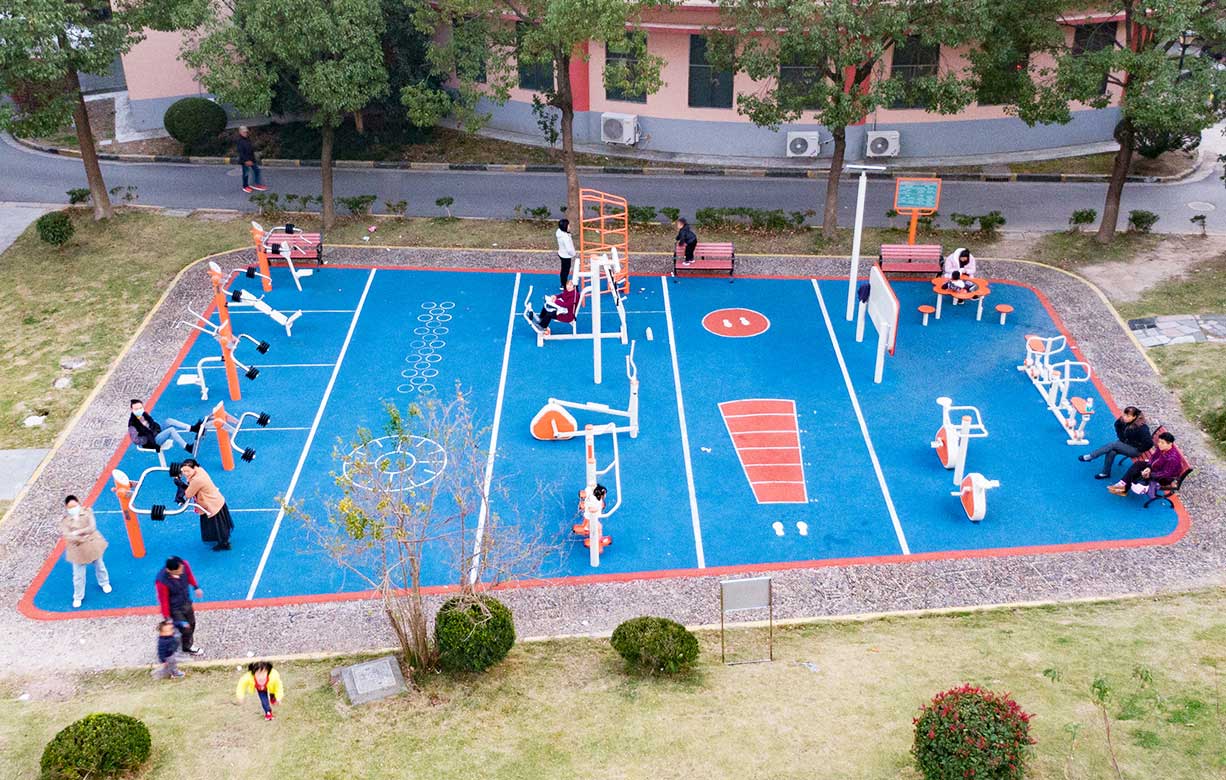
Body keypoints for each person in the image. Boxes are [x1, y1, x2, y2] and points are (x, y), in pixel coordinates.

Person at [60, 495, 111, 609]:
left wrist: (77, 533)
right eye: (70, 507)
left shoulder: (87, 512)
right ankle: (78, 596)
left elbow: (92, 528)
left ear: (79, 504)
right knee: (78, 575)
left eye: (75, 506)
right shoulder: (65, 521)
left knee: (100, 565)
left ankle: (104, 583)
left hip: (92, 545)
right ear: (67, 508)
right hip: (77, 549)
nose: (73, 509)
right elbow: (68, 536)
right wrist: (82, 536)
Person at [1078, 406, 1153, 479]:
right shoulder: (1122, 421)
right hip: (1125, 444)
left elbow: (1149, 443)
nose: (1125, 417)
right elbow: (1117, 425)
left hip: (1135, 450)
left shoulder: (1142, 428)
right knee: (1111, 451)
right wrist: (1122, 438)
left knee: (1113, 445)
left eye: (1128, 416)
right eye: (1124, 414)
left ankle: (1091, 456)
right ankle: (1105, 473)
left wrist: (1139, 448)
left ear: (1134, 417)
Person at [180, 459, 234, 551]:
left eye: (187, 471)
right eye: (183, 471)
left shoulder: (197, 480)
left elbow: (188, 494)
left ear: (194, 468)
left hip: (210, 505)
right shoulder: (200, 470)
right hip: (215, 500)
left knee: (217, 526)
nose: (185, 474)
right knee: (220, 525)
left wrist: (179, 483)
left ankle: (223, 543)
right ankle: (223, 540)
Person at [155, 556, 204, 655]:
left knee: (191, 623)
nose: (182, 572)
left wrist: (196, 587)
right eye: (179, 571)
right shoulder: (161, 581)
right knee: (185, 628)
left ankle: (180, 641)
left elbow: (189, 575)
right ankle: (186, 646)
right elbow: (163, 600)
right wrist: (167, 617)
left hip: (186, 601)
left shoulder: (184, 565)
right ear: (170, 570)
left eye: (182, 568)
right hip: (175, 608)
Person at [1108, 431, 1183, 497]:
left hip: (1164, 478)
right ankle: (1122, 484)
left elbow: (1166, 473)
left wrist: (1150, 474)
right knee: (1138, 464)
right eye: (1159, 442)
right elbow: (1153, 457)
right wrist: (1148, 467)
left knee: (1138, 473)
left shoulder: (1172, 458)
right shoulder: (1162, 448)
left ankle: (1124, 488)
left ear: (1170, 444)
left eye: (1162, 443)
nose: (1159, 444)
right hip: (1156, 468)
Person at [128, 399, 199, 454]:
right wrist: (149, 441)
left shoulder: (144, 414)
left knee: (169, 421)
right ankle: (187, 447)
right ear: (131, 410)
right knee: (171, 430)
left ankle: (193, 428)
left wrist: (155, 429)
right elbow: (135, 440)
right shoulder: (132, 424)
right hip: (153, 441)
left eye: (140, 408)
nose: (139, 410)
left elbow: (151, 424)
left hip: (155, 432)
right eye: (136, 409)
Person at [236, 126, 267, 194]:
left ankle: (256, 184)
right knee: (246, 173)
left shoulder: (247, 139)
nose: (245, 133)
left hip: (251, 159)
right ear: (240, 132)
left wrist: (253, 158)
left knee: (257, 170)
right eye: (244, 132)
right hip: (245, 160)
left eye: (246, 132)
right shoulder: (239, 141)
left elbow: (250, 148)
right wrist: (246, 161)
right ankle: (245, 186)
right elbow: (241, 152)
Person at [555, 218, 576, 289]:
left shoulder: (559, 232)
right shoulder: (565, 237)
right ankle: (564, 285)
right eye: (568, 225)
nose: (569, 227)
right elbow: (569, 249)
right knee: (565, 270)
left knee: (563, 269)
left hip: (561, 253)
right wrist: (573, 254)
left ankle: (563, 283)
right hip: (566, 256)